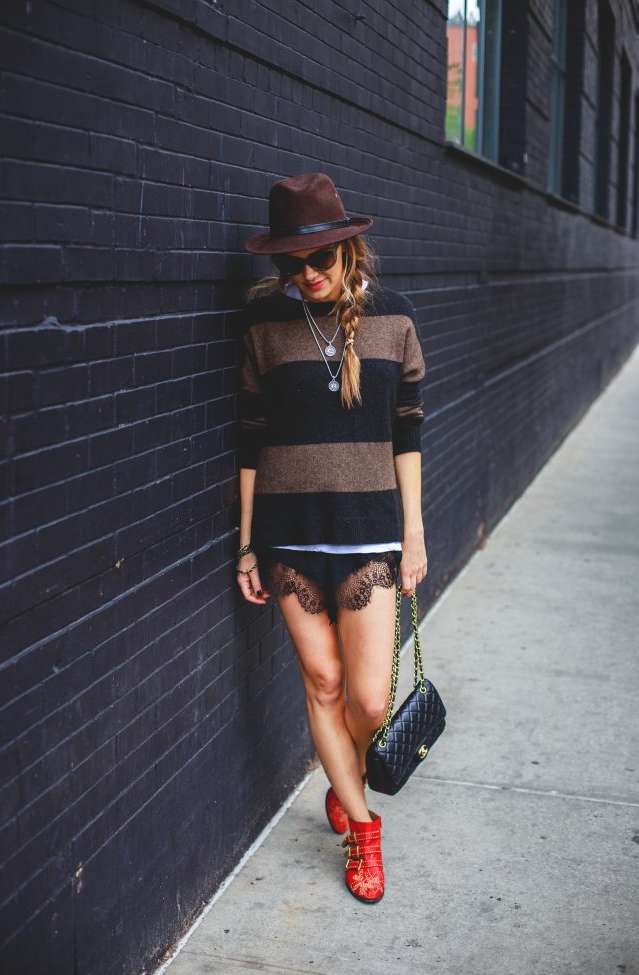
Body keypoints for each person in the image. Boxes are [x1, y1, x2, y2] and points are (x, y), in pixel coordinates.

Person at [236, 172, 428, 904]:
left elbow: (407, 431)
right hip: (290, 535)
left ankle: (343, 778)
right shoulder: (263, 328)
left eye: (318, 260)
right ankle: (362, 826)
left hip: (367, 532)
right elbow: (250, 440)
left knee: (370, 704)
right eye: (290, 264)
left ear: (349, 248)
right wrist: (250, 543)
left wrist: (412, 532)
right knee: (322, 682)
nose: (306, 275)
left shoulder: (396, 319)